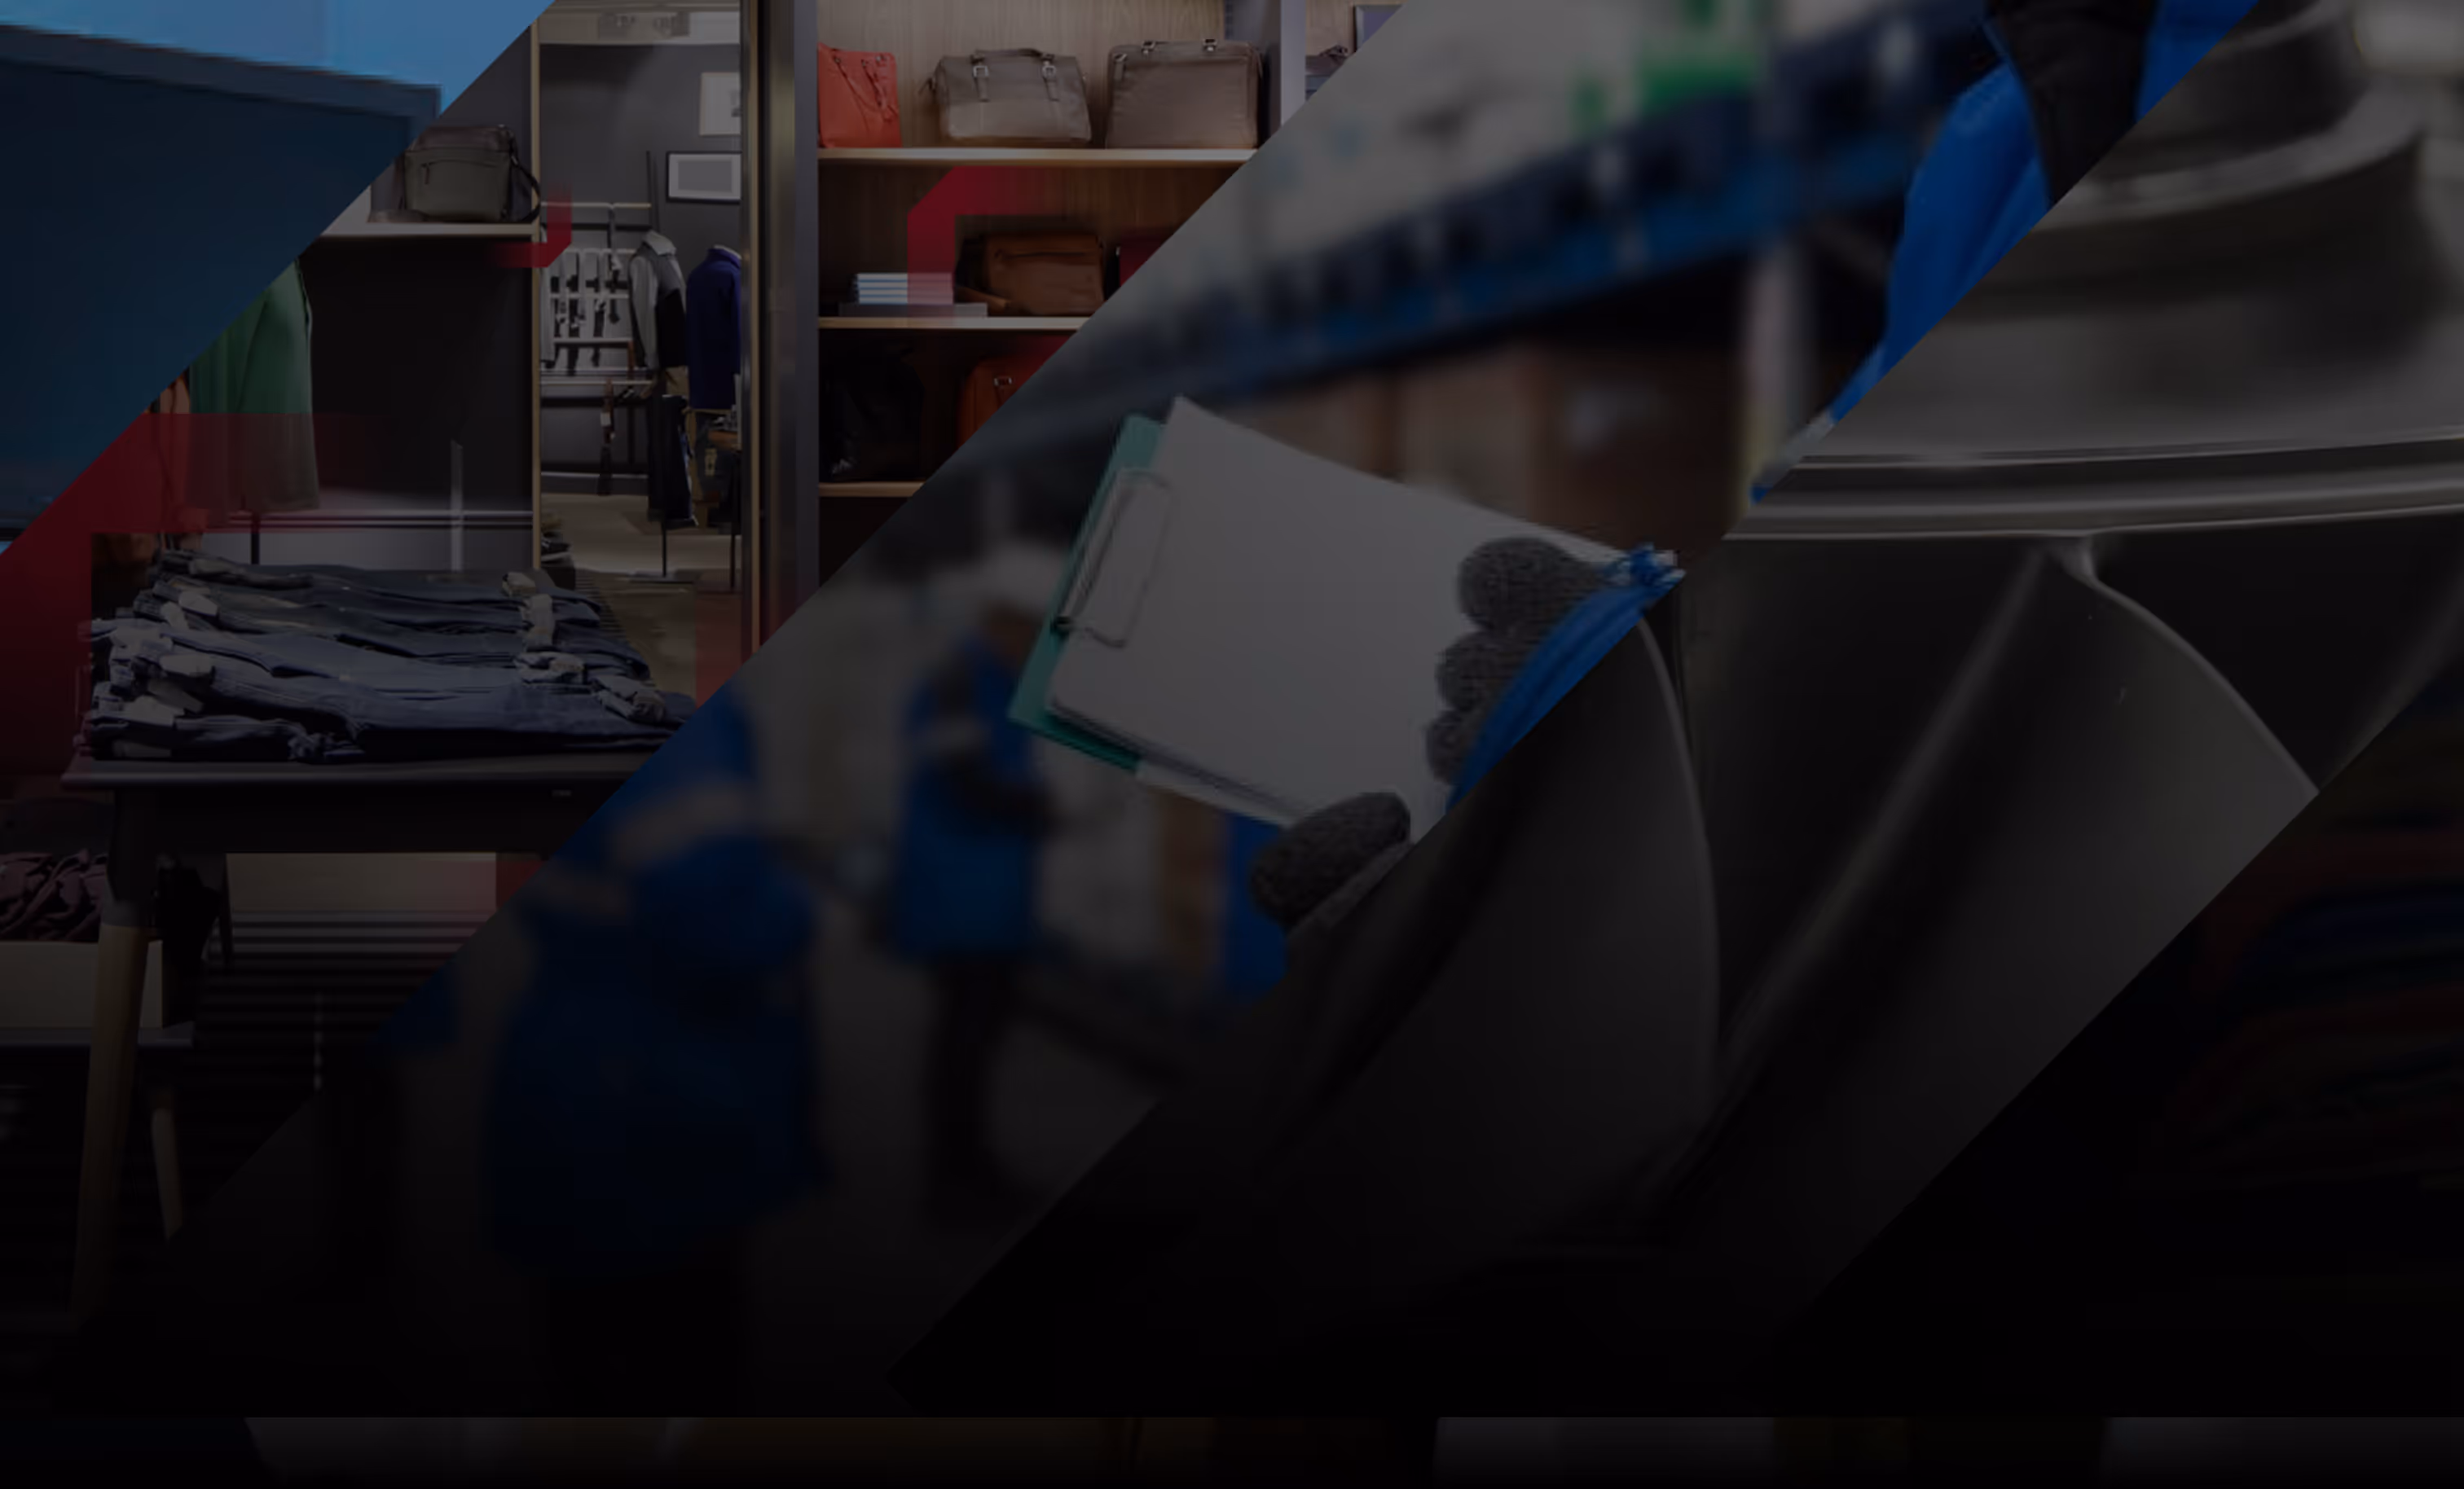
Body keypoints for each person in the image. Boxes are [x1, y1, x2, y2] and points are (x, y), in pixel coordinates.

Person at [479, 679, 820, 1406]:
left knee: (583, 1344)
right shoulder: (688, 732)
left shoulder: (564, 696)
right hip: (658, 1085)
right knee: (682, 1351)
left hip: (572, 1058)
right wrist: (797, 909)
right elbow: (717, 925)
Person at [887, 544, 1071, 1228]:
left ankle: (972, 1168)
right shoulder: (960, 680)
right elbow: (967, 779)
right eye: (1029, 628)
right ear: (1002, 620)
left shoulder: (992, 678)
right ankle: (953, 1182)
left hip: (987, 895)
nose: (1034, 645)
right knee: (963, 1043)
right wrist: (1044, 808)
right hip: (959, 897)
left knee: (978, 1041)